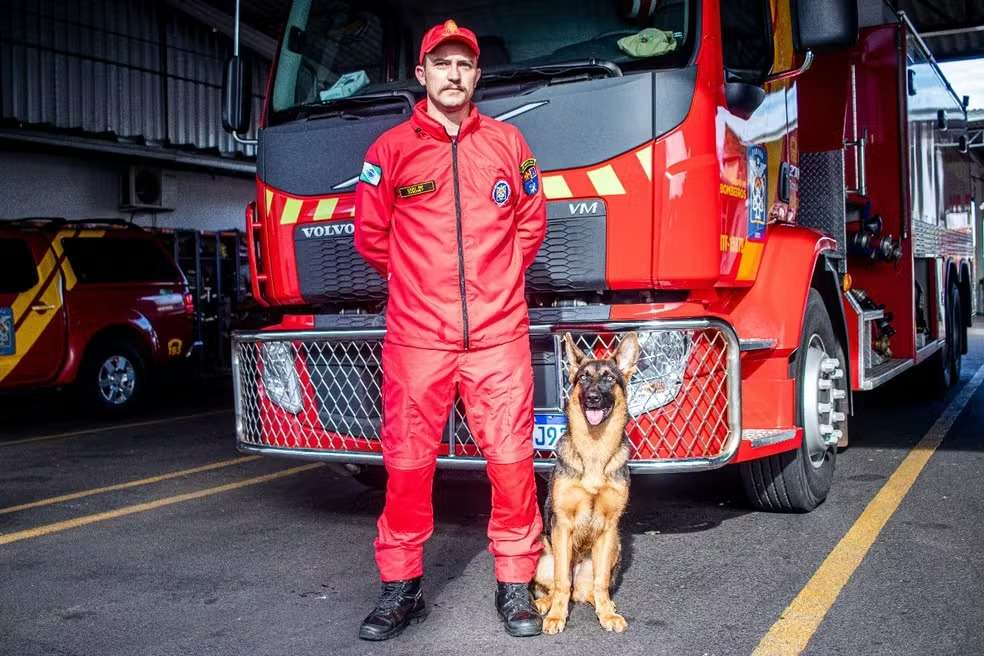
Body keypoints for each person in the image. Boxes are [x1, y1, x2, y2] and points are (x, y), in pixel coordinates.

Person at [353, 19, 547, 641]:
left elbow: (530, 223)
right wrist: (418, 285)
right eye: (442, 64)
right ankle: (401, 588)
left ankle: (515, 583)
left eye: (464, 64)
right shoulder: (389, 151)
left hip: (498, 336)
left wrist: (495, 284)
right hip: (418, 338)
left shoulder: (510, 144)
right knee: (407, 466)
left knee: (512, 463)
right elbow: (371, 236)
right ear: (422, 74)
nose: (454, 75)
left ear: (477, 75)